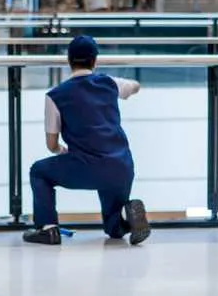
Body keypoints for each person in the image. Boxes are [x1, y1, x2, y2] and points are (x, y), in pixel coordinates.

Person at [23, 35, 151, 246]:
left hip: (87, 166)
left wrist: (62, 151)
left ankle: (47, 229)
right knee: (113, 230)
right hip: (121, 167)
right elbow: (135, 86)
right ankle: (127, 222)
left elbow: (51, 144)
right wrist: (132, 85)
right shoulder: (108, 83)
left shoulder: (55, 95)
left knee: (39, 171)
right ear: (95, 60)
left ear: (69, 60)